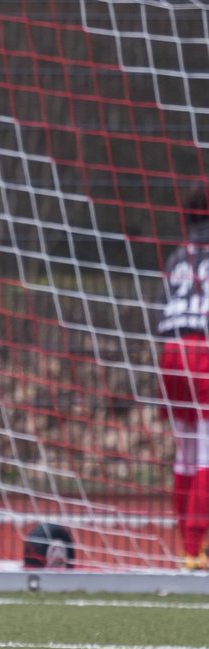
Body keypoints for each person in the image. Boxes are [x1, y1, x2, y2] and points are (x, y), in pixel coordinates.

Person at [156, 183, 209, 571]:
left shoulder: (177, 256)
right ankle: (194, 548)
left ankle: (187, 548)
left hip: (171, 351)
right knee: (206, 454)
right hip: (204, 350)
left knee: (185, 454)